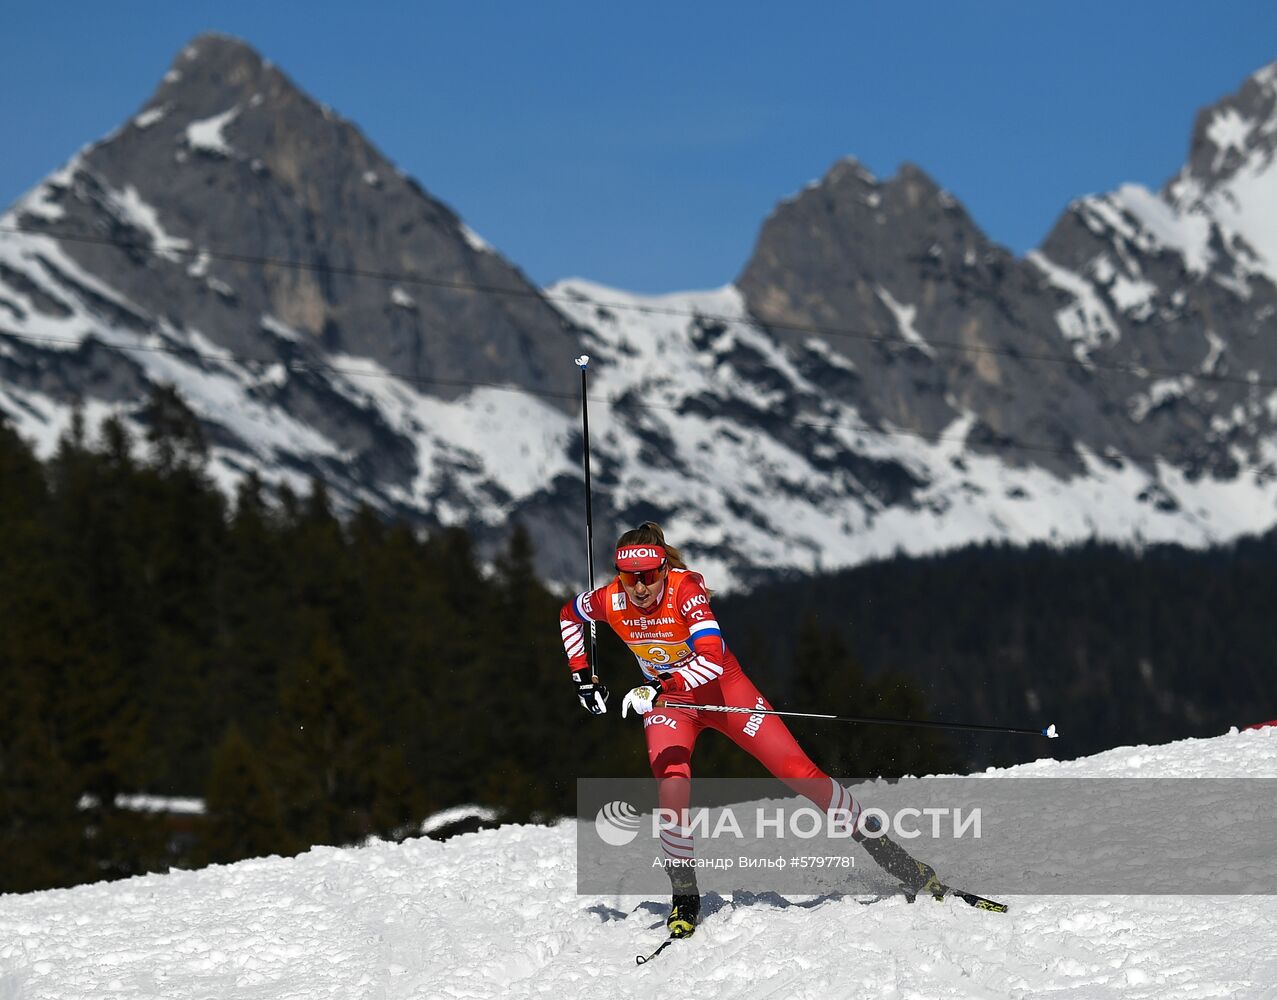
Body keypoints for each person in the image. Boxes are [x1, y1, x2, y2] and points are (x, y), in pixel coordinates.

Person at [559, 522, 942, 939]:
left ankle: (894, 857)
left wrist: (657, 686)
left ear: (664, 569)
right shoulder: (609, 598)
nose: (639, 588)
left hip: (723, 690)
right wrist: (583, 677)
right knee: (671, 784)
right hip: (671, 705)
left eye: (649, 576)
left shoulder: (686, 591)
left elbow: (711, 656)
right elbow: (568, 616)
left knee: (798, 772)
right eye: (629, 577)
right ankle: (684, 895)